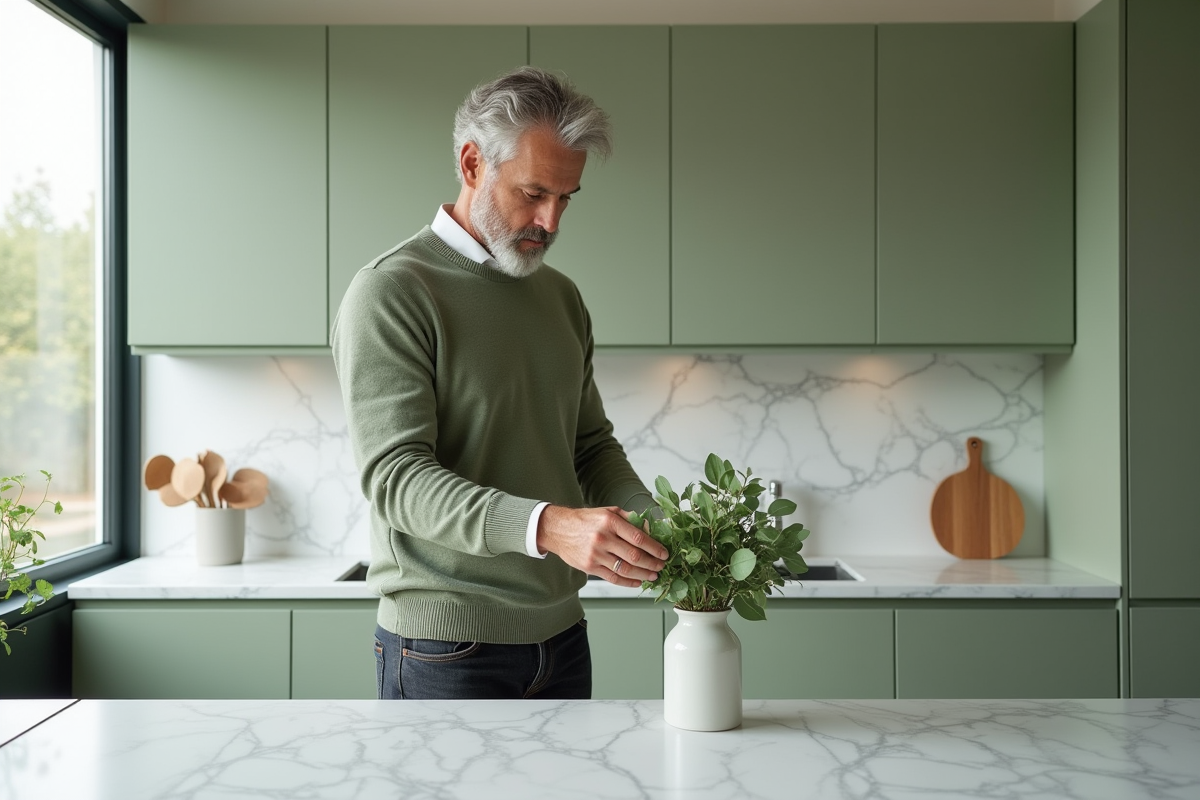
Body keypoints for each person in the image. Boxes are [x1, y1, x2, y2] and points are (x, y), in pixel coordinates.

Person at [331, 66, 668, 701]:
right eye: (534, 192)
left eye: (566, 198)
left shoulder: (561, 297)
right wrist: (550, 526)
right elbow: (396, 479)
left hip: (563, 635)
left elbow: (589, 446)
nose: (551, 221)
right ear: (471, 163)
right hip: (443, 647)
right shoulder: (392, 291)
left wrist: (657, 528)